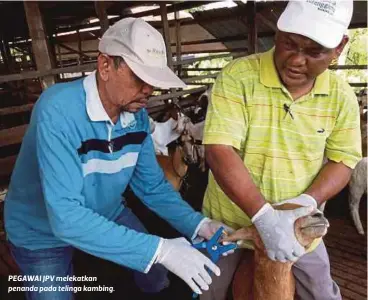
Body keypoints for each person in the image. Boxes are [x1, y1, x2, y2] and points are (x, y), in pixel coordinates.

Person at [4, 17, 233, 300]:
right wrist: (159, 249)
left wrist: (198, 224)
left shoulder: (136, 119)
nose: (149, 90)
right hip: (41, 229)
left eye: (153, 81)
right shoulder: (58, 111)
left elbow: (152, 187)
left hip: (105, 211)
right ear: (105, 66)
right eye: (140, 78)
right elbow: (65, 218)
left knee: (156, 276)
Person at [200, 1, 362, 300]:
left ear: (339, 47)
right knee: (209, 292)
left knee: (323, 294)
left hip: (298, 229)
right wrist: (262, 216)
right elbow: (220, 149)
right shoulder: (238, 77)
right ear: (278, 30)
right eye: (289, 43)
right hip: (230, 226)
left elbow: (343, 160)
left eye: (314, 52)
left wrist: (303, 203)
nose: (296, 60)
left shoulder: (341, 97)